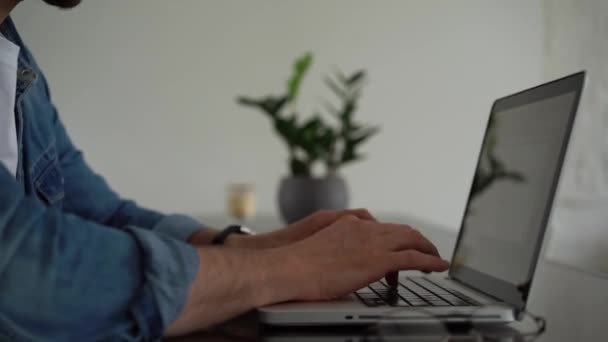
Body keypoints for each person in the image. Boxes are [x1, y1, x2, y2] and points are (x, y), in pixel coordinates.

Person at [0, 0, 450, 340]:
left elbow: (102, 214)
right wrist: (290, 268)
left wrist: (245, 247)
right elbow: (23, 266)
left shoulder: (18, 62)